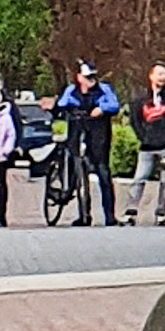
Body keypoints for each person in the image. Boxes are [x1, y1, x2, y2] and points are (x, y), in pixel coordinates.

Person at [122, 63, 165, 226]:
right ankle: (131, 211)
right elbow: (134, 120)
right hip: (147, 146)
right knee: (139, 178)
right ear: (151, 76)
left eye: (164, 74)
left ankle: (161, 213)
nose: (162, 78)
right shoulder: (140, 98)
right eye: (159, 74)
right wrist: (142, 137)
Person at [53, 61, 119, 226]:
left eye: (93, 77)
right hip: (77, 131)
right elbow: (61, 104)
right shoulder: (71, 91)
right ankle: (83, 214)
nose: (91, 80)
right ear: (79, 77)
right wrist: (63, 108)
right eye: (87, 77)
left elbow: (114, 104)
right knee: (76, 168)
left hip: (98, 134)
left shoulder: (104, 89)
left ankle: (109, 215)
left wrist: (102, 109)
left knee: (103, 171)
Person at [0, 88, 16, 227]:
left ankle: (0, 216)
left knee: (0, 186)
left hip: (0, 157)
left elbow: (11, 135)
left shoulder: (5, 117)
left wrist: (6, 151)